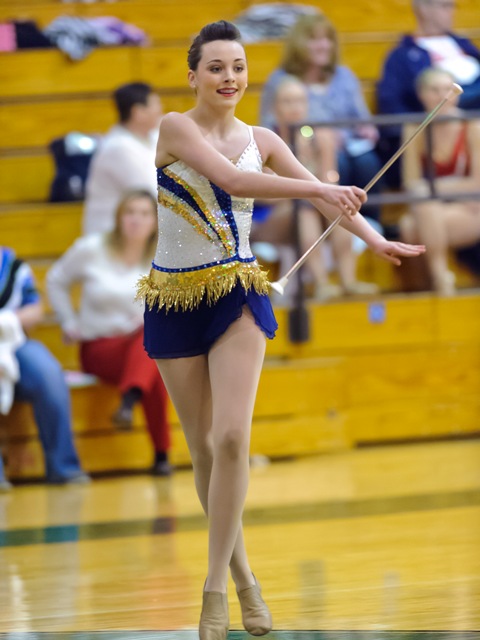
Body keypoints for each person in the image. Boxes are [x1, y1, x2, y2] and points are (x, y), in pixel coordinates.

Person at [136, 20, 424, 639]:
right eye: (216, 67)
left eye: (238, 67)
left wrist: (376, 240)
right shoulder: (175, 128)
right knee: (205, 449)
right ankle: (243, 577)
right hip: (173, 297)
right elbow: (237, 182)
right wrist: (321, 183)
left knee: (234, 438)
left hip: (237, 292)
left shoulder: (263, 137)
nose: (229, 78)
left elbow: (326, 206)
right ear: (193, 76)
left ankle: (214, 589)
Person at [47, 190, 172, 476]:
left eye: (144, 214)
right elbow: (56, 280)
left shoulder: (162, 258)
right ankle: (161, 451)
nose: (136, 220)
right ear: (118, 218)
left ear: (155, 222)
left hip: (141, 346)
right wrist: (68, 320)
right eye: (130, 213)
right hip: (99, 348)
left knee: (152, 349)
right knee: (153, 352)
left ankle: (131, 402)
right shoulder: (92, 248)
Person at [252, 75, 378, 299]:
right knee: (306, 208)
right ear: (274, 106)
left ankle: (349, 281)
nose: (295, 107)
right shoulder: (265, 139)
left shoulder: (320, 135)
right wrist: (305, 189)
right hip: (271, 218)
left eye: (300, 101)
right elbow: (266, 195)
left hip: (309, 207)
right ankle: (321, 283)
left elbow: (331, 182)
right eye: (287, 101)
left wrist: (319, 161)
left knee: (338, 208)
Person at [260, 13, 384, 226]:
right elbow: (269, 123)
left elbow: (362, 118)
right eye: (315, 39)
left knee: (368, 162)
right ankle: (335, 220)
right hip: (305, 147)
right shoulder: (280, 79)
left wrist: (367, 129)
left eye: (328, 39)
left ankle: (370, 222)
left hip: (347, 144)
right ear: (299, 43)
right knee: (338, 165)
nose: (324, 45)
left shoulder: (344, 75)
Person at [0, 246, 89, 491]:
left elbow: (35, 308)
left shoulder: (11, 263)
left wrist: (6, 322)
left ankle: (64, 467)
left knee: (49, 373)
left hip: (14, 342)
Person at [377, 0, 480, 186]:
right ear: (423, 9)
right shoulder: (401, 56)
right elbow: (391, 106)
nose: (451, 12)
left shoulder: (466, 47)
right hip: (434, 134)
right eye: (445, 5)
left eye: (452, 6)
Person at [399, 68, 480, 295]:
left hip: (470, 209)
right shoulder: (414, 128)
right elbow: (410, 182)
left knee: (412, 227)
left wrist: (432, 188)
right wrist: (430, 192)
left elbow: (477, 183)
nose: (442, 96)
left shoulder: (472, 126)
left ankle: (433, 283)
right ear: (421, 94)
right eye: (434, 90)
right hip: (435, 208)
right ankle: (439, 278)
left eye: (448, 89)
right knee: (412, 222)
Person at [82, 82, 162, 235]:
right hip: (110, 241)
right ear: (139, 112)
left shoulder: (151, 136)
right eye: (156, 105)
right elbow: (153, 194)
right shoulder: (117, 148)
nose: (160, 111)